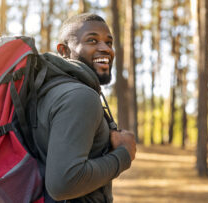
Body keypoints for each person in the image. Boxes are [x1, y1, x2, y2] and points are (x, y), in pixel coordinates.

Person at [32, 13, 136, 202]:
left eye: (109, 43)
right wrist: (124, 154)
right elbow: (63, 184)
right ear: (63, 50)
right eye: (92, 41)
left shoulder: (50, 90)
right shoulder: (80, 97)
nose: (105, 49)